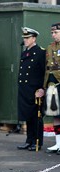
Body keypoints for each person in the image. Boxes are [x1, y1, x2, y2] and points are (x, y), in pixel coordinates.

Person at [16, 27, 45, 151]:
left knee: (36, 116)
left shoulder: (40, 53)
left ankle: (36, 141)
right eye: (24, 38)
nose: (25, 40)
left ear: (34, 38)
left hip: (35, 90)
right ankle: (29, 140)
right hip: (25, 89)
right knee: (28, 115)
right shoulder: (25, 52)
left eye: (28, 38)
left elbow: (44, 72)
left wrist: (42, 88)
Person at [43, 23, 60, 154]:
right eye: (52, 33)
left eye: (56, 32)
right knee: (55, 114)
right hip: (52, 84)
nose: (53, 35)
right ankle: (58, 143)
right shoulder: (50, 47)